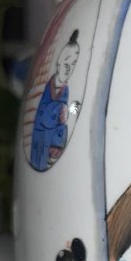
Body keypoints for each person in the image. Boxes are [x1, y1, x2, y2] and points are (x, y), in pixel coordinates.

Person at [30, 30, 81, 171]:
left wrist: (71, 111)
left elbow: (66, 119)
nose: (69, 69)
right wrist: (60, 110)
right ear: (58, 62)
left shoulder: (66, 90)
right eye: (66, 63)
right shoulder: (48, 87)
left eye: (73, 64)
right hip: (41, 142)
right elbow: (44, 116)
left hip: (53, 145)